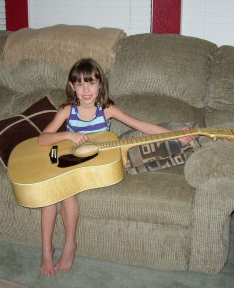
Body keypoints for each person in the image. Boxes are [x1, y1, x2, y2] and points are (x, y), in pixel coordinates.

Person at [37, 58, 196, 276]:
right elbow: (43, 139)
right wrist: (67, 134)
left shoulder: (107, 109)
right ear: (72, 87)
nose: (86, 89)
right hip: (67, 162)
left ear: (100, 85)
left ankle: (69, 246)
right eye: (80, 84)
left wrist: (177, 135)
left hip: (92, 168)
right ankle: (46, 251)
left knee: (65, 193)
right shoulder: (67, 111)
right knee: (49, 195)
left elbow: (140, 125)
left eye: (91, 83)